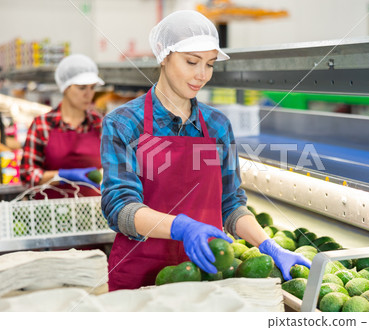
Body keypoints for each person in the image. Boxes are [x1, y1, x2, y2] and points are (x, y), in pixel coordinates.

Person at [101, 10, 310, 291]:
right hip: (140, 277)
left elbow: (231, 204)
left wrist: (267, 244)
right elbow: (120, 208)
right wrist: (182, 228)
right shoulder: (124, 123)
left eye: (210, 64)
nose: (202, 74)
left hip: (208, 273)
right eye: (191, 62)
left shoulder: (218, 125)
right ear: (163, 57)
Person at [20, 54, 104, 199]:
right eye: (82, 88)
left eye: (92, 88)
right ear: (65, 88)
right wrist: (61, 176)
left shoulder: (100, 124)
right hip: (49, 214)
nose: (89, 95)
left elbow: (115, 169)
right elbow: (27, 175)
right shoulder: (42, 125)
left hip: (92, 212)